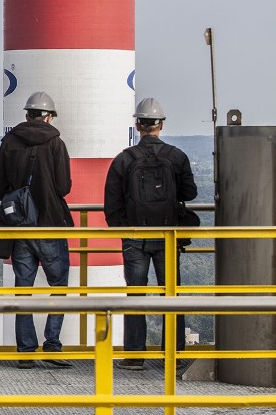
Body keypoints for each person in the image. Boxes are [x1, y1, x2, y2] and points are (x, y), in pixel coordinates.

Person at [104, 97, 198, 371]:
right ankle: (175, 355)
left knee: (135, 294)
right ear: (161, 125)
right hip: (167, 236)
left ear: (138, 124)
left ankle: (134, 356)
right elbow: (190, 193)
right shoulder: (176, 156)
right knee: (171, 294)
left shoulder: (124, 159)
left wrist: (126, 230)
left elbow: (112, 204)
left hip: (135, 237)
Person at [0, 91, 73, 370]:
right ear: (49, 117)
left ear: (26, 115)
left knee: (22, 290)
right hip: (50, 224)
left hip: (21, 227)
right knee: (59, 286)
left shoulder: (9, 142)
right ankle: (52, 345)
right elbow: (63, 187)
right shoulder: (56, 143)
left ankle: (25, 351)